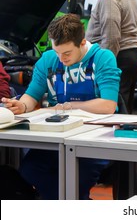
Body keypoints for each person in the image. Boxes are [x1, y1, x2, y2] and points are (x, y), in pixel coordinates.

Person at [1, 14, 121, 199]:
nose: (61, 58)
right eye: (57, 52)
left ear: (82, 43)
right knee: (30, 170)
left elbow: (108, 105)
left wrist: (68, 106)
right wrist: (21, 106)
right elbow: (32, 95)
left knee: (77, 181)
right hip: (55, 138)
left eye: (66, 53)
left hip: (93, 141)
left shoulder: (103, 58)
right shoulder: (48, 60)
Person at [86, 0, 137, 114]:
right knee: (126, 105)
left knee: (117, 108)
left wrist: (105, 64)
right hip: (131, 55)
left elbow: (111, 36)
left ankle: (119, 137)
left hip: (118, 57)